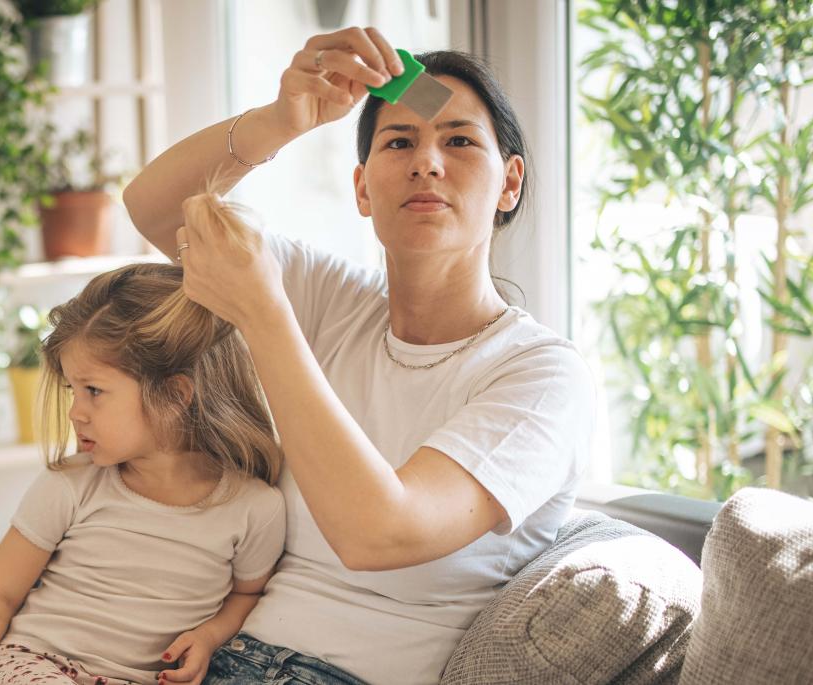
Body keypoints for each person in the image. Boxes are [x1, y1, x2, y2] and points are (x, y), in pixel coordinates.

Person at [120, 28, 597, 685]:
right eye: (399, 142)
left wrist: (265, 316)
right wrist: (276, 122)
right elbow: (154, 207)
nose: (427, 162)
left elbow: (377, 534)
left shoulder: (542, 374)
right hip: (224, 659)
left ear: (509, 183)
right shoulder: (334, 300)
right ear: (364, 190)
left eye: (458, 140)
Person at [0, 258, 288, 685]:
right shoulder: (71, 485)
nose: (75, 413)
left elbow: (246, 594)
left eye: (94, 391)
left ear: (175, 394)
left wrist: (210, 635)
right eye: (73, 390)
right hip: (38, 663)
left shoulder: (254, 508)